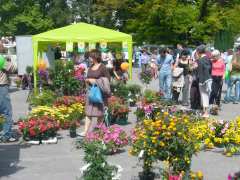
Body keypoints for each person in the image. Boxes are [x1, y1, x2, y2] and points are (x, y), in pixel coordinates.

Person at [80, 49, 110, 137]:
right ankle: (85, 131)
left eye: (90, 56)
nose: (88, 58)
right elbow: (88, 77)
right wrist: (87, 80)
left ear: (95, 56)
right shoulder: (90, 66)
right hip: (91, 92)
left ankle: (99, 131)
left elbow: (108, 80)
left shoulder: (102, 67)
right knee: (88, 112)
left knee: (100, 113)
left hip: (100, 93)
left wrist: (96, 81)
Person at [0, 56, 17, 142]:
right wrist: (8, 60)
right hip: (1, 87)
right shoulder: (1, 59)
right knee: (6, 112)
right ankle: (7, 135)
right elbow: (13, 68)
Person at [196, 45, 212, 118]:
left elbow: (200, 72)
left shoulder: (200, 60)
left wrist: (200, 81)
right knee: (207, 95)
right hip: (209, 79)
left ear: (199, 51)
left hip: (203, 80)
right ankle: (204, 111)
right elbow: (210, 69)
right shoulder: (208, 59)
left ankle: (206, 112)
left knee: (204, 95)